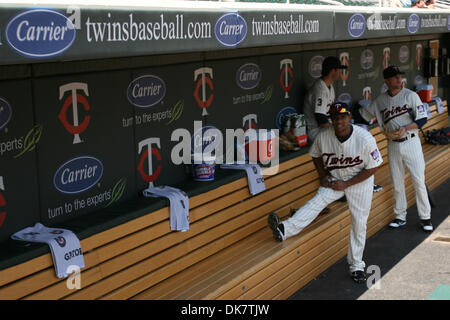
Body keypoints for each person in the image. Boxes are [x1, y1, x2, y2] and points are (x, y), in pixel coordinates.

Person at [268, 102, 383, 283]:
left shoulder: (364, 138)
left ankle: (357, 265)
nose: (339, 121)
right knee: (317, 201)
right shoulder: (324, 136)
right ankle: (284, 229)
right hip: (336, 178)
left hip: (360, 182)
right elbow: (315, 155)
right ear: (331, 119)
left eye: (343, 117)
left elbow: (374, 167)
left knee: (359, 222)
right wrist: (323, 176)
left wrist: (347, 184)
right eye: (335, 118)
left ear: (349, 118)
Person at [358, 66, 433, 232]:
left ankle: (425, 217)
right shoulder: (380, 101)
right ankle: (400, 216)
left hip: (411, 142)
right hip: (393, 145)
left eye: (400, 76)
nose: (399, 79)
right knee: (397, 182)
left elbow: (422, 119)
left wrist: (406, 128)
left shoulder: (410, 96)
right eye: (395, 77)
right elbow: (362, 116)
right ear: (386, 81)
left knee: (418, 181)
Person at [303, 56, 346, 142]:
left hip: (325, 129)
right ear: (333, 71)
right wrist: (337, 129)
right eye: (339, 70)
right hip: (316, 131)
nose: (341, 72)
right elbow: (321, 118)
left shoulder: (329, 86)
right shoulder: (320, 89)